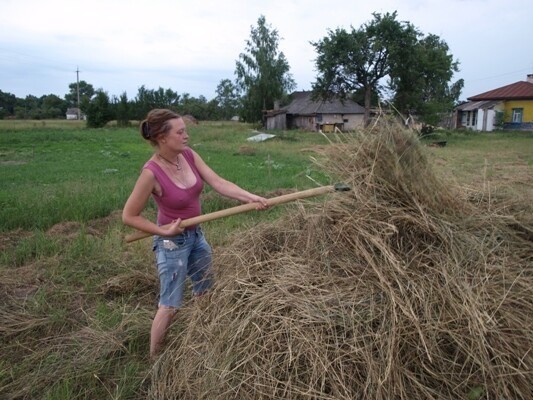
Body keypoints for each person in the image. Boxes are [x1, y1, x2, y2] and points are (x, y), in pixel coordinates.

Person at [122, 109, 268, 358]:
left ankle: (203, 341)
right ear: (162, 138)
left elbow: (218, 182)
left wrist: (251, 197)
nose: (186, 136)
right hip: (172, 243)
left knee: (206, 291)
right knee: (170, 305)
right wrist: (162, 230)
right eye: (180, 132)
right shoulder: (151, 173)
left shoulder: (188, 156)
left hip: (196, 236)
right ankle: (154, 359)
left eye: (185, 130)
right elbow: (129, 216)